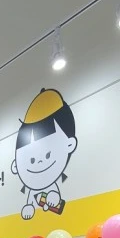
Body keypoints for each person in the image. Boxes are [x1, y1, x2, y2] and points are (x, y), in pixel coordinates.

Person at [11, 88, 78, 220]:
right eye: (31, 160)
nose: (39, 162)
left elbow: (54, 196)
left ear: (69, 144)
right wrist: (29, 207)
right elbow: (31, 202)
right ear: (15, 165)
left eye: (48, 155)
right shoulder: (32, 190)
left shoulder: (52, 185)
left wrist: (53, 197)